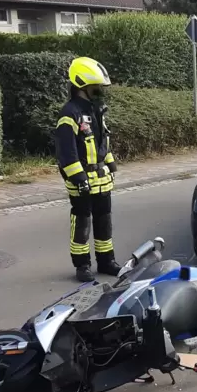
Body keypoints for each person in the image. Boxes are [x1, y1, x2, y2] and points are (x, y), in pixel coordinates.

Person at [54, 57, 121, 282]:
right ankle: (82, 266)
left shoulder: (96, 110)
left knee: (104, 221)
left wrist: (110, 162)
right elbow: (66, 152)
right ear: (83, 85)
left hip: (101, 179)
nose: (100, 90)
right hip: (81, 181)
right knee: (82, 222)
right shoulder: (69, 114)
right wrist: (79, 177)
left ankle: (106, 261)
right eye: (97, 87)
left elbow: (102, 142)